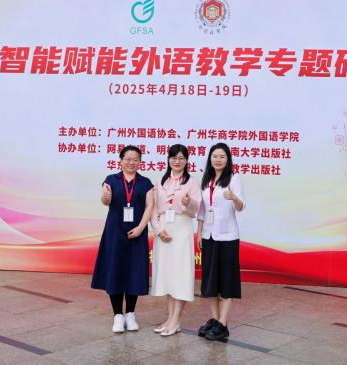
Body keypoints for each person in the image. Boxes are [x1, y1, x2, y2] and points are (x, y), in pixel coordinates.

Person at [91, 145, 154, 333]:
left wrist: (141, 228)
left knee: (134, 272)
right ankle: (118, 315)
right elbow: (106, 200)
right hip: (114, 233)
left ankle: (131, 314)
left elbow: (150, 207)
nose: (131, 162)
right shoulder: (111, 180)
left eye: (135, 159)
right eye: (128, 159)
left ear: (140, 162)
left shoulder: (145, 183)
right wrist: (105, 196)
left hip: (137, 234)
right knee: (115, 271)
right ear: (121, 160)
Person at [150, 144, 201, 336]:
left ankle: (176, 320)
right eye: (173, 157)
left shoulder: (192, 182)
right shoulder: (161, 180)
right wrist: (158, 230)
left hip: (182, 229)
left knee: (181, 275)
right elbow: (154, 209)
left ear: (187, 161)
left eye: (181, 158)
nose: (177, 161)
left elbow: (196, 209)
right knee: (168, 275)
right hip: (164, 229)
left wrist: (189, 203)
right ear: (168, 159)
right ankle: (170, 318)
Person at [196, 142, 245, 341]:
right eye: (215, 156)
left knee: (226, 281)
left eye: (222, 157)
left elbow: (241, 206)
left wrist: (233, 197)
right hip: (208, 236)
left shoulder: (234, 178)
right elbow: (202, 210)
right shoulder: (206, 179)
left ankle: (223, 324)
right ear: (210, 159)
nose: (218, 160)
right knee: (210, 281)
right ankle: (215, 320)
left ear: (228, 159)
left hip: (227, 237)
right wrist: (199, 233)